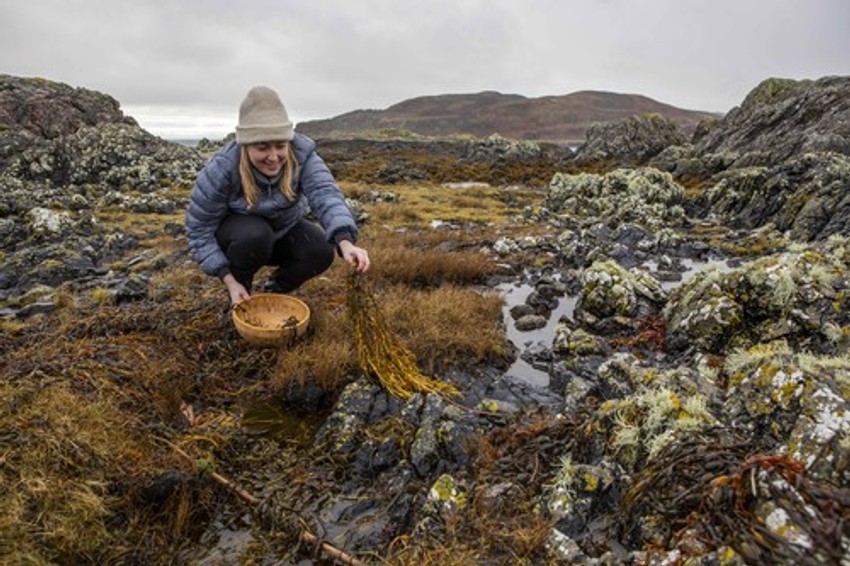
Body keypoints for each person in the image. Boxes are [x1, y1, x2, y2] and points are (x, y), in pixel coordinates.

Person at [185, 86, 370, 306]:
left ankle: (275, 291)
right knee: (255, 235)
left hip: (282, 231)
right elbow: (199, 228)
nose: (273, 157)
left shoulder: (304, 156)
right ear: (246, 145)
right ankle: (240, 294)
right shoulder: (223, 167)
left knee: (320, 249)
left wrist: (345, 242)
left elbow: (325, 195)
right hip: (239, 239)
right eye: (262, 148)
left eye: (281, 146)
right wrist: (228, 279)